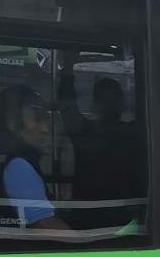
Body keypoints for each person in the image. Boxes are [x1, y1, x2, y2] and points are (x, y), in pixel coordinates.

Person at [57, 52, 146, 228]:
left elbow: (66, 105)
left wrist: (68, 69)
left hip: (123, 215)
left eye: (113, 99)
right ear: (96, 103)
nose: (110, 104)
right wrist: (67, 71)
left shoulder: (133, 131)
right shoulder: (86, 130)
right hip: (96, 215)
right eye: (106, 100)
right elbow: (67, 105)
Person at [0, 85, 70, 231]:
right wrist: (85, 242)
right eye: (37, 119)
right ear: (13, 122)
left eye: (46, 119)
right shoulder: (18, 164)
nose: (45, 129)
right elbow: (45, 224)